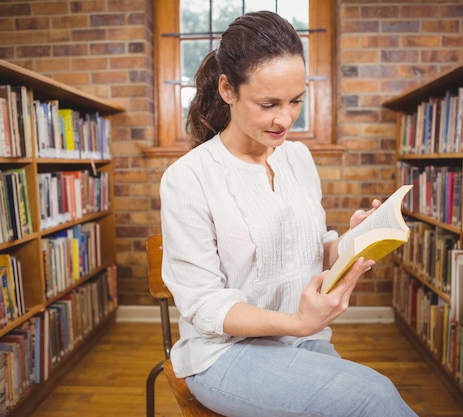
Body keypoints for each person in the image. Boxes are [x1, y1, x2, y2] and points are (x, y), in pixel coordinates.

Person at [159, 10, 418, 417]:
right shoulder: (188, 178)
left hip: (300, 339)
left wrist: (354, 239)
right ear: (228, 89)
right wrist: (299, 321)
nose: (285, 119)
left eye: (296, 100)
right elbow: (205, 307)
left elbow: (313, 254)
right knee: (373, 396)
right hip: (223, 356)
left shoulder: (297, 157)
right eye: (268, 104)